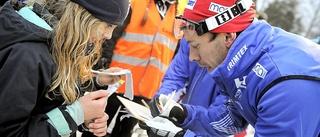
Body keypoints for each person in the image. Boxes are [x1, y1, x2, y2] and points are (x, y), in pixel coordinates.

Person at [143, 0, 320, 136]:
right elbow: (230, 119)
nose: (192, 57)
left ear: (228, 37)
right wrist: (182, 115)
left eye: (196, 46)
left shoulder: (282, 84)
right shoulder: (245, 60)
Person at [0, 0, 129, 136]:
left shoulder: (62, 43)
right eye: (108, 25)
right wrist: (75, 115)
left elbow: (50, 101)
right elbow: (10, 132)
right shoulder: (27, 55)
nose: (109, 35)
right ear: (79, 11)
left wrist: (84, 114)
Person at [81, 0, 183, 137]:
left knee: (125, 132)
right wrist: (103, 68)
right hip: (116, 82)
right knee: (97, 129)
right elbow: (110, 38)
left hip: (145, 90)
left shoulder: (178, 16)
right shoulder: (136, 3)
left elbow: (176, 56)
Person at [144, 38, 248, 136]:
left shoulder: (238, 60)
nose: (192, 57)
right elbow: (175, 76)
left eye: (196, 46)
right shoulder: (189, 37)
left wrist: (183, 124)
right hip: (187, 122)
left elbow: (222, 118)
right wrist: (162, 105)